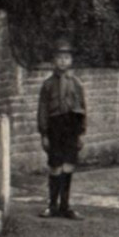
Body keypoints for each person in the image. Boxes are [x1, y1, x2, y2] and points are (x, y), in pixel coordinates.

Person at [37, 38, 87, 220]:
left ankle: (66, 206)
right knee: (55, 166)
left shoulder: (77, 83)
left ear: (71, 60)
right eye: (59, 58)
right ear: (53, 61)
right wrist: (44, 134)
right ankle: (52, 206)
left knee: (68, 166)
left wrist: (81, 133)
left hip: (71, 126)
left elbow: (82, 108)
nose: (63, 61)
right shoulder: (47, 85)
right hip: (55, 126)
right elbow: (42, 110)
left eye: (66, 57)